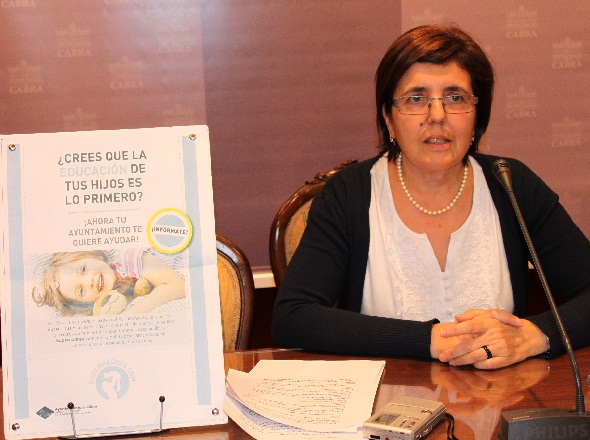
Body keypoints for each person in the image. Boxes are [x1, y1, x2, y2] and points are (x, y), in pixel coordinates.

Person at [271, 24, 590, 369]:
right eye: (416, 98)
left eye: (455, 98)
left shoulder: (510, 184)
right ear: (389, 120)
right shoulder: (349, 194)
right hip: (386, 397)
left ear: (477, 116)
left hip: (501, 395)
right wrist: (427, 340)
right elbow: (294, 317)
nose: (437, 116)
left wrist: (537, 335)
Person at [32, 248, 185, 316]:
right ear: (85, 304)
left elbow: (178, 286)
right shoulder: (113, 304)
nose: (89, 282)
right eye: (81, 290)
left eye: (83, 269)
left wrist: (131, 315)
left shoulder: (127, 258)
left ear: (94, 256)